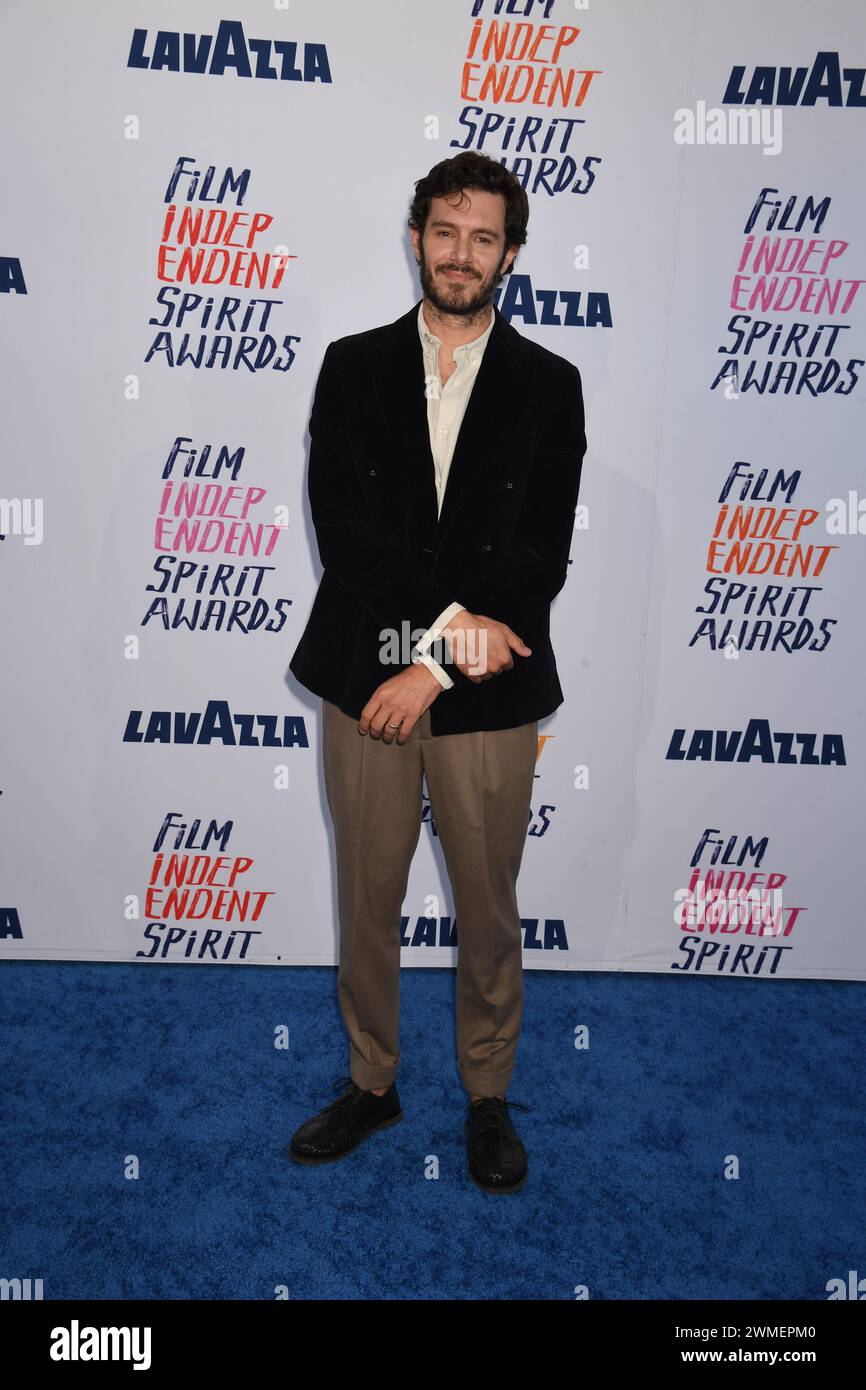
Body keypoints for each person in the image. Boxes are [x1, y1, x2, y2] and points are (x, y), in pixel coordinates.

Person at [287, 150, 587, 1192]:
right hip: (365, 670)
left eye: (484, 237)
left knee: (487, 903)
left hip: (486, 696)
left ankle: (487, 1093)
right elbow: (348, 530)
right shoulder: (350, 362)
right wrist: (435, 643)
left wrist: (431, 670)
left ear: (510, 253)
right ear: (416, 236)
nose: (462, 254)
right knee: (365, 897)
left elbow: (535, 555)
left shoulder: (551, 384)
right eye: (445, 231)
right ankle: (372, 1082)